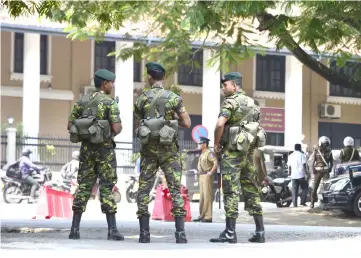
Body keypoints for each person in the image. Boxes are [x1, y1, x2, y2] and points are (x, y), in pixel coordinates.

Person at [133, 62, 191, 244]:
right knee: (175, 189)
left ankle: (144, 234)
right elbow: (187, 123)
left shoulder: (141, 99)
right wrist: (171, 119)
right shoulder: (174, 98)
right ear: (164, 78)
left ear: (149, 77)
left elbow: (138, 125)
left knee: (143, 189)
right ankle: (180, 234)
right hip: (169, 151)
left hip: (148, 151)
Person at [67, 69, 123, 241]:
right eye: (111, 83)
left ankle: (74, 229)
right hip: (105, 152)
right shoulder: (109, 102)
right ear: (104, 84)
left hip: (86, 151)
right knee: (106, 187)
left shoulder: (81, 101)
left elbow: (70, 125)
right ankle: (112, 230)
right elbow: (116, 128)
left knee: (83, 186)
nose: (112, 86)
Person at [210, 72, 265, 244]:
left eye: (225, 85)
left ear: (235, 86)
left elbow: (220, 124)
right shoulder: (252, 104)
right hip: (248, 154)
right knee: (251, 190)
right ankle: (260, 231)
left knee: (230, 191)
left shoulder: (230, 102)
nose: (223, 88)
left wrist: (216, 143)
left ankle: (230, 232)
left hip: (232, 154)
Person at [193, 136, 217, 223]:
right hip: (201, 176)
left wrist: (210, 173)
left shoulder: (209, 153)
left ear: (205, 144)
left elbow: (215, 162)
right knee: (202, 196)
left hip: (207, 176)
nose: (199, 145)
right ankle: (202, 215)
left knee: (207, 196)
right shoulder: (202, 153)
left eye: (201, 143)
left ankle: (208, 216)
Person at [310, 136, 333, 208]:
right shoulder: (316, 151)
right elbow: (312, 162)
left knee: (327, 188)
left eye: (326, 144)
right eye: (324, 144)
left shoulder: (329, 152)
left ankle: (326, 204)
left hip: (325, 171)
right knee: (314, 188)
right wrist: (313, 169)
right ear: (320, 143)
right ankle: (312, 203)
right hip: (318, 171)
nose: (325, 145)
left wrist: (330, 168)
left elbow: (331, 162)